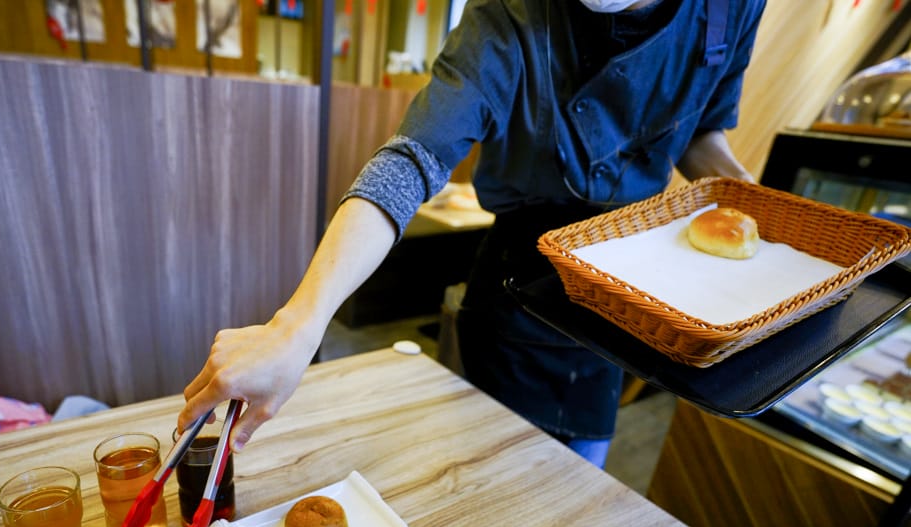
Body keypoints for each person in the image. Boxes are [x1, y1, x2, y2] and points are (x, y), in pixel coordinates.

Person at [177, 0, 766, 468]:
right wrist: (297, 322)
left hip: (622, 293)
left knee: (582, 482)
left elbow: (697, 127)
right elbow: (412, 160)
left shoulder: (733, 8)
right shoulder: (507, 17)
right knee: (494, 473)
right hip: (518, 292)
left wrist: (749, 203)